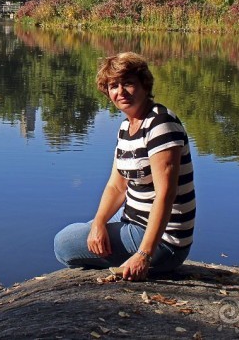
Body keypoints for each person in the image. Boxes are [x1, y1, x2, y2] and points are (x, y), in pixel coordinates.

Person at [54, 52, 195, 281]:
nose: (120, 92)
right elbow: (117, 186)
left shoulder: (160, 124)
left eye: (128, 83)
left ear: (144, 85)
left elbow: (165, 195)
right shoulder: (126, 127)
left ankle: (141, 258)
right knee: (91, 230)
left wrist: (143, 254)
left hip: (165, 241)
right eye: (113, 86)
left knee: (64, 243)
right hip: (134, 218)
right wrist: (99, 223)